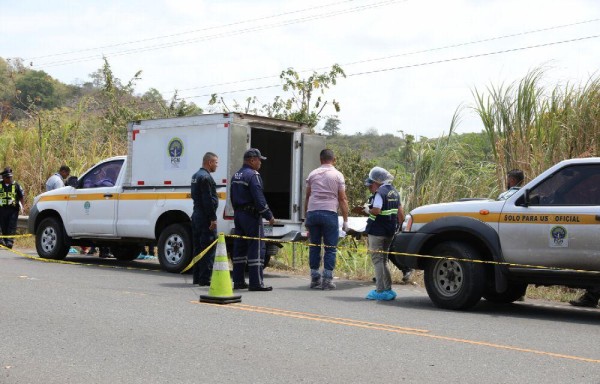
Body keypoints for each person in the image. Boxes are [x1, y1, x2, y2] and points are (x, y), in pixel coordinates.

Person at [230, 148, 275, 291]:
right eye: (259, 160)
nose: (260, 163)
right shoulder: (253, 175)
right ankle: (256, 283)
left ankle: (238, 282)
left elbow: (232, 197)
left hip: (238, 215)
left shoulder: (235, 175)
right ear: (251, 160)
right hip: (251, 217)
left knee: (240, 248)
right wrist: (269, 215)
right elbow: (259, 198)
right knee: (256, 248)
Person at [304, 149, 349, 290]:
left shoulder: (312, 174)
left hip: (312, 212)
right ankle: (327, 280)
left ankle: (315, 278)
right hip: (329, 213)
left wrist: (306, 216)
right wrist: (346, 221)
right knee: (330, 248)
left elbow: (308, 196)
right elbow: (342, 198)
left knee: (314, 246)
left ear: (320, 159)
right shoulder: (337, 175)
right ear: (333, 159)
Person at [361, 167, 402, 301]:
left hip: (377, 232)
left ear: (377, 181)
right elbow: (401, 214)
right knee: (384, 260)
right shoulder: (395, 192)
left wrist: (368, 210)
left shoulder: (380, 192)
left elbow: (377, 210)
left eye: (371, 184)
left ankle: (379, 290)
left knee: (377, 260)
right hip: (389, 232)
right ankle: (388, 289)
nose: (370, 187)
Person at [190, 152, 219, 286]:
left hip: (196, 215)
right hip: (205, 217)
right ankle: (205, 279)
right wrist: (213, 218)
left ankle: (197, 277)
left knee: (197, 248)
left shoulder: (195, 176)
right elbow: (207, 200)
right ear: (209, 162)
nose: (217, 165)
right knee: (208, 248)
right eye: (216, 163)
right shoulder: (206, 178)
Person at [0, 167, 25, 249]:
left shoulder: (16, 185)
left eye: (10, 177)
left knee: (11, 226)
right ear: (3, 178)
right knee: (3, 225)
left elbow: (21, 197)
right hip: (2, 209)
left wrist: (22, 207)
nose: (9, 179)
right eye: (7, 177)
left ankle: (9, 242)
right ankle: (3, 241)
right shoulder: (0, 185)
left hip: (13, 210)